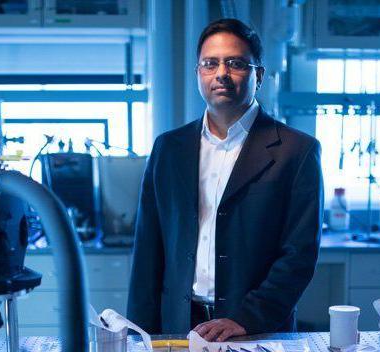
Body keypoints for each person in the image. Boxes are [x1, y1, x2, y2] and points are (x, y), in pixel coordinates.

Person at [127, 18, 323, 341]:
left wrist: (248, 319)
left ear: (257, 75)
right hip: (177, 326)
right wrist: (139, 334)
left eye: (235, 63)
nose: (221, 73)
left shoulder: (297, 151)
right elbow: (148, 250)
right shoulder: (168, 148)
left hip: (255, 330)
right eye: (210, 63)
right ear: (198, 74)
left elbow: (299, 255)